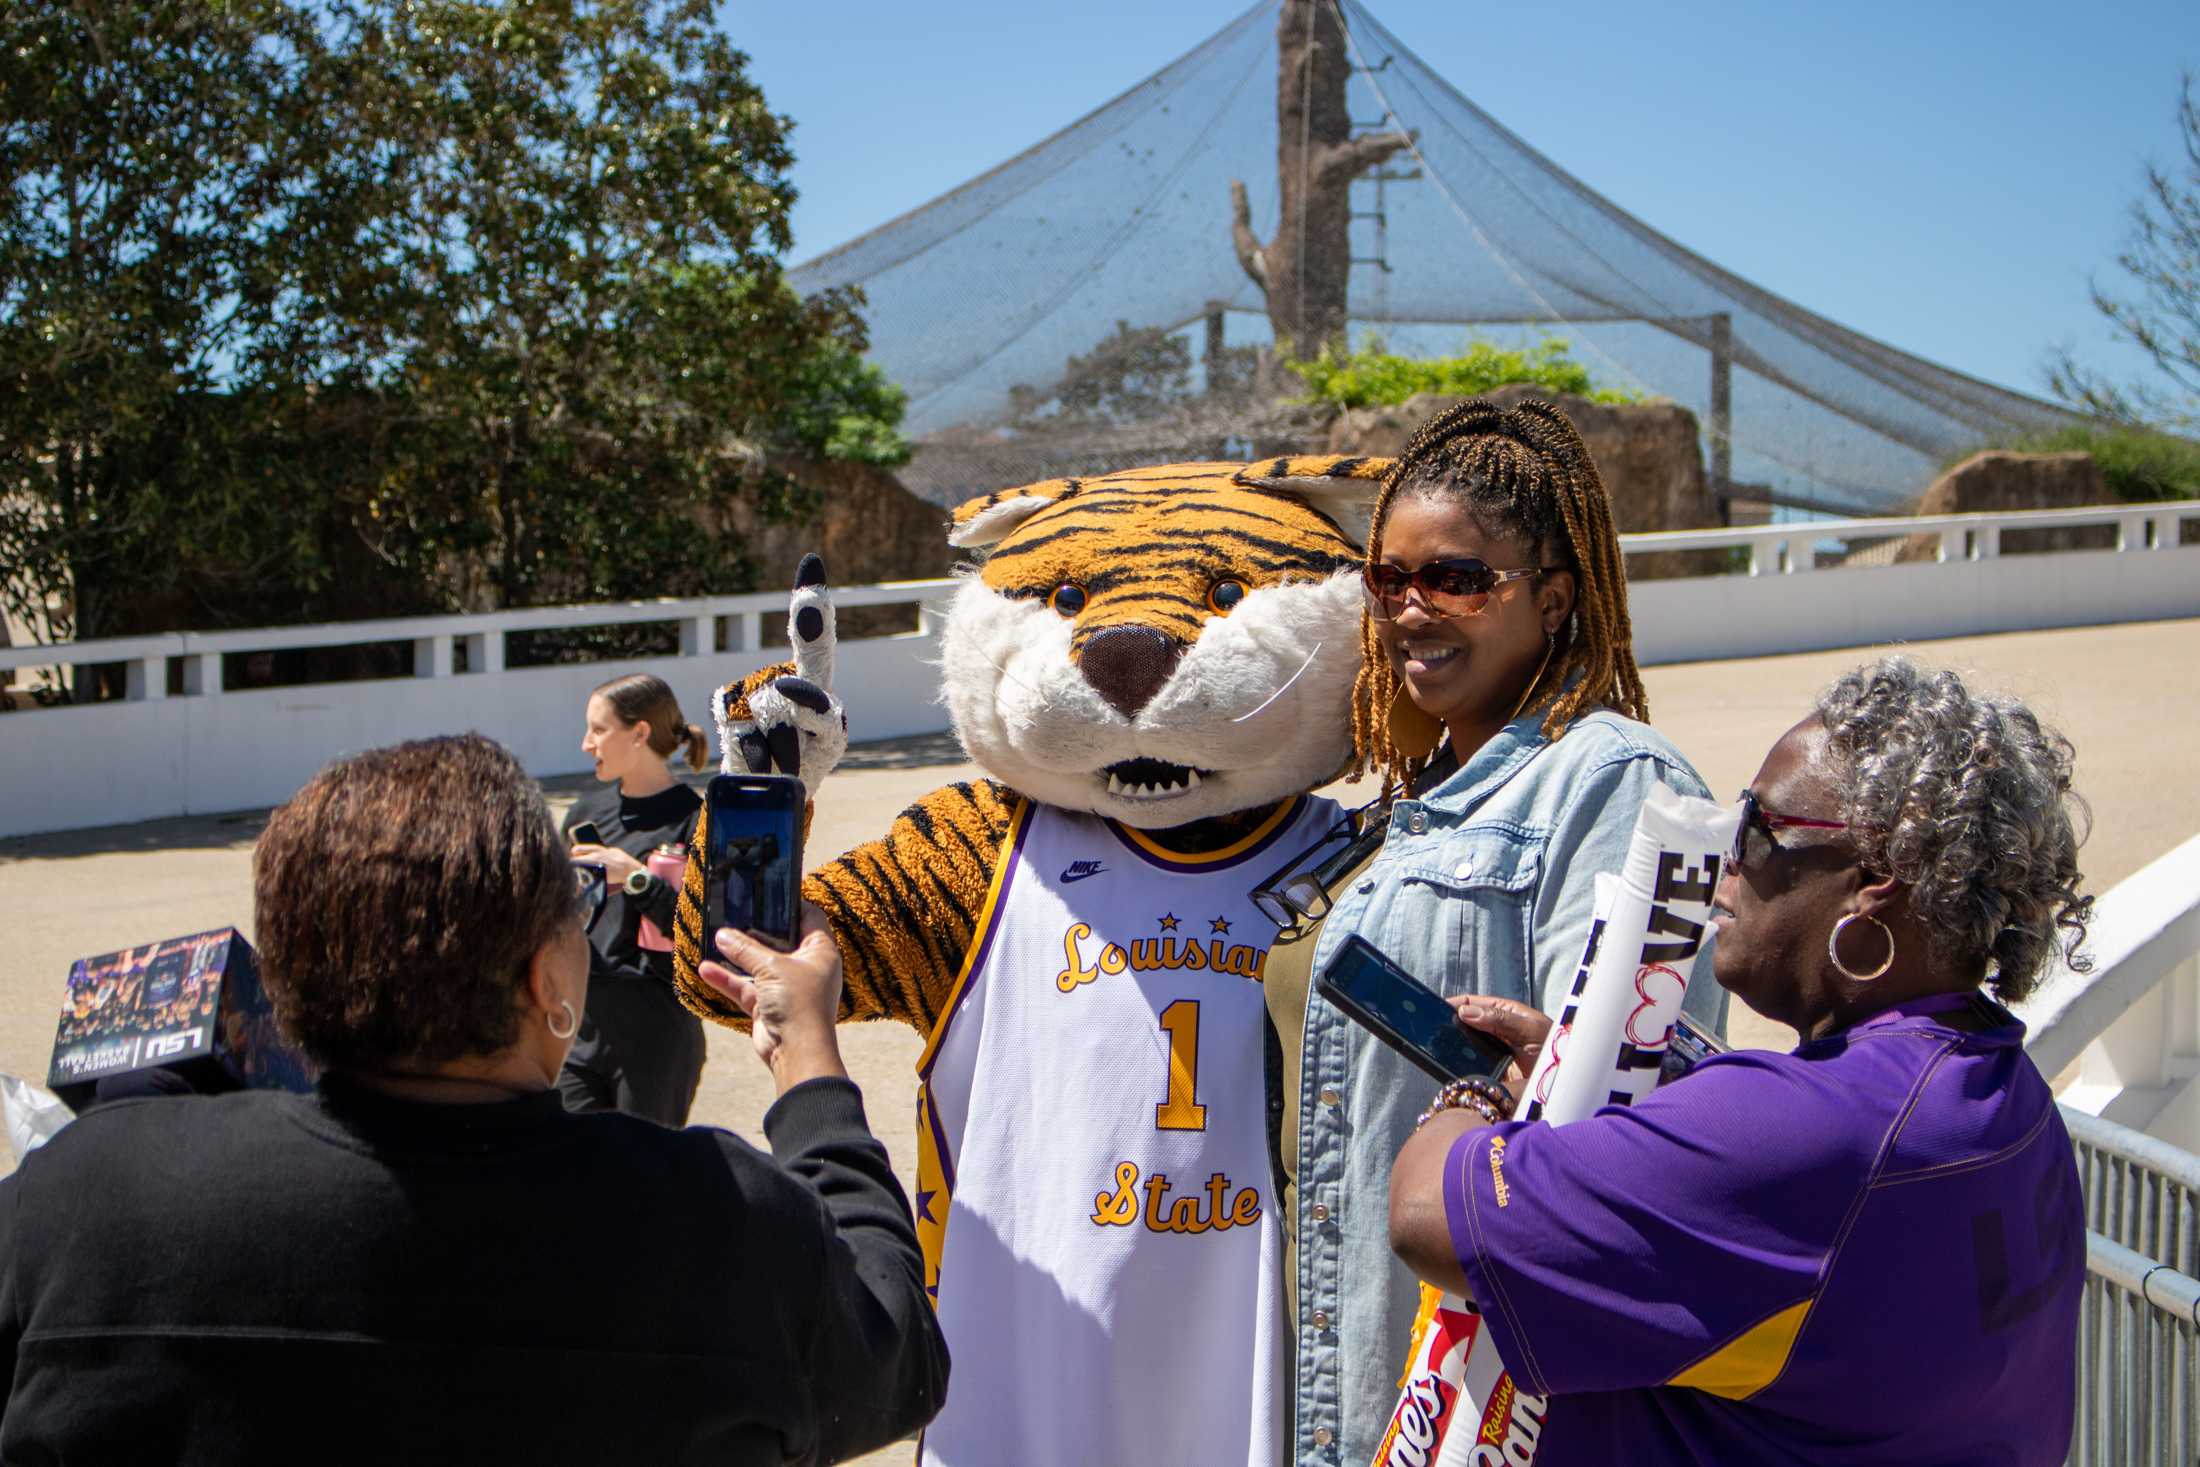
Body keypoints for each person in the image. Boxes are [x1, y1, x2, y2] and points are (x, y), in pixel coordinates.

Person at [0, 734, 947, 1464]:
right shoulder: (717, 1220)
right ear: (546, 981)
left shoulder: (83, 1198)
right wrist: (806, 1058)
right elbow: (897, 1350)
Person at [1389, 657, 2089, 1464]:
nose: (1729, 850)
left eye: (1762, 825)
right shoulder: (2008, 1094)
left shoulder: (1811, 1132)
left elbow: (1426, 1217)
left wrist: (1482, 1099)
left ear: (1873, 884)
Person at [1252, 397, 1724, 1465]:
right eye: (1388, 579)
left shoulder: (1613, 783)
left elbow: (1636, 1126)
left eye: (1458, 579)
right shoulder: (1401, 801)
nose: (1412, 608)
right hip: (1333, 1367)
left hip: (1485, 1409)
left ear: (1554, 599)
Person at [562, 672, 712, 1124]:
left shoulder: (698, 820)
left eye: (599, 729)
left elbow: (705, 930)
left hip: (656, 1034)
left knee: (641, 1191)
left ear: (640, 733)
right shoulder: (584, 812)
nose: (587, 743)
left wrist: (638, 879)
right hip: (579, 1032)